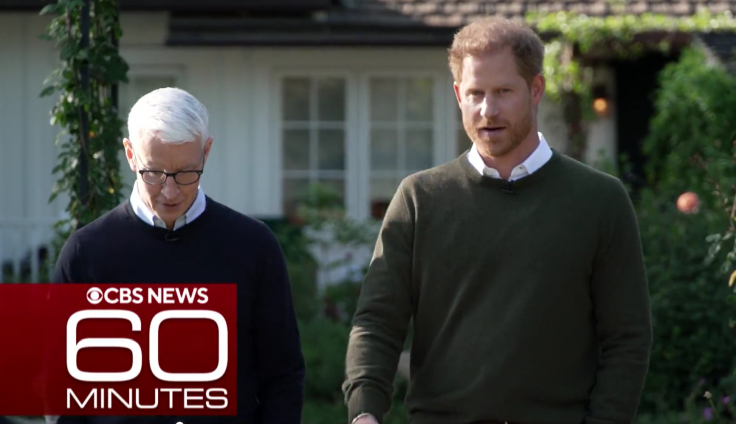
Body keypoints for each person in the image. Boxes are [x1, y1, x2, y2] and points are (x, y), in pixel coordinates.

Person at [342, 16, 652, 424]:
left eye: (504, 92)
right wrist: (364, 411)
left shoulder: (600, 200)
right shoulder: (420, 199)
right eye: (475, 93)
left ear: (535, 89)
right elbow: (377, 321)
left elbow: (627, 336)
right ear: (458, 95)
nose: (488, 110)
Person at [50, 87, 305, 424]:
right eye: (154, 173)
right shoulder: (85, 253)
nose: (170, 192)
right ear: (130, 154)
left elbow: (283, 376)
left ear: (206, 152)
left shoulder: (254, 247)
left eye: (187, 173)